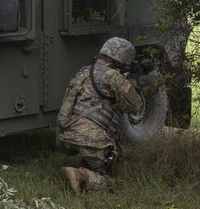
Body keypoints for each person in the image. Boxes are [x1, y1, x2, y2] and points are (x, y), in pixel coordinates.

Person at [56, 37, 143, 193]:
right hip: (90, 138)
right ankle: (79, 174)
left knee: (103, 158)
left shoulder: (84, 71)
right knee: (112, 181)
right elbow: (135, 108)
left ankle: (88, 166)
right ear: (121, 59)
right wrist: (132, 85)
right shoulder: (114, 77)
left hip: (67, 133)